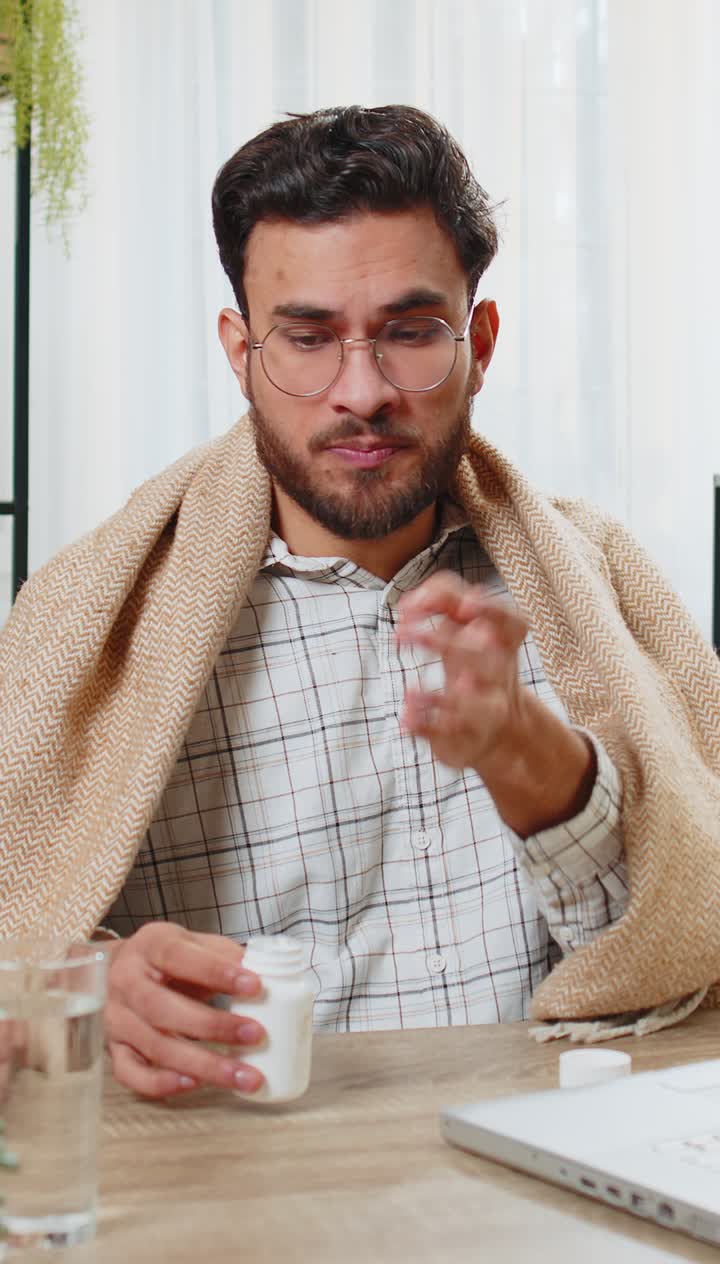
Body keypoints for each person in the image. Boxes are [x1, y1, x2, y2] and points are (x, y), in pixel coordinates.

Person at [2, 106, 719, 1101]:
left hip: (525, 1216)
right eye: (307, 339)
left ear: (482, 339)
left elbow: (678, 960)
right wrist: (90, 984)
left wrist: (534, 760)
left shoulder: (597, 593)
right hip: (215, 1220)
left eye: (409, 333)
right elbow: (21, 928)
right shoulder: (92, 625)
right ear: (240, 348)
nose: (363, 390)